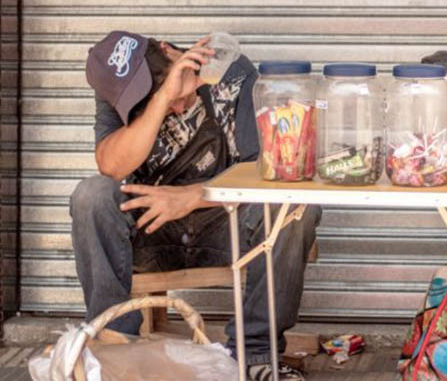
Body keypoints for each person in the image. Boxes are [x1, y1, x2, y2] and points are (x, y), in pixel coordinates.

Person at [70, 31, 321, 380]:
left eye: (178, 97)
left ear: (169, 51)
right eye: (154, 102)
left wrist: (194, 196)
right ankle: (115, 349)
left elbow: (264, 169)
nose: (177, 108)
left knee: (292, 205)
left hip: (225, 227)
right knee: (92, 195)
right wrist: (163, 98)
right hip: (153, 233)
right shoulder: (116, 92)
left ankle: (255, 354)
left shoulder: (228, 70)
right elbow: (111, 166)